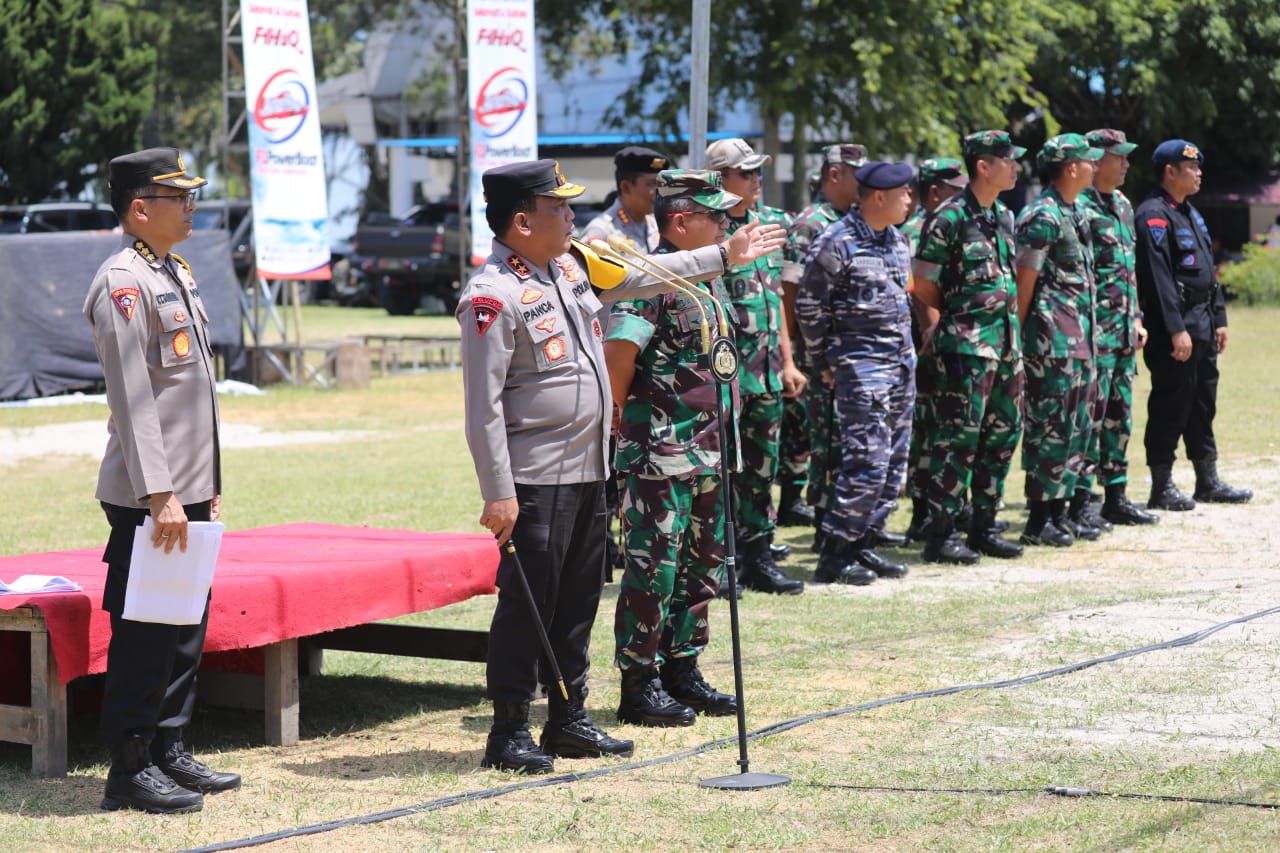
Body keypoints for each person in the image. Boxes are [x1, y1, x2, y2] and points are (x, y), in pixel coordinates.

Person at [457, 159, 784, 773]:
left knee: (578, 601)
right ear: (522, 222)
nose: (572, 215)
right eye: (558, 207)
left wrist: (724, 255)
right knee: (529, 606)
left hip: (589, 468)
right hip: (536, 478)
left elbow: (644, 276)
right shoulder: (491, 296)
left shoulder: (571, 267)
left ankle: (568, 719)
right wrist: (499, 492)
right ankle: (509, 730)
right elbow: (483, 408)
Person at [84, 147, 241, 814]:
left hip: (186, 487)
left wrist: (203, 483)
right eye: (178, 197)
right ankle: (128, 768)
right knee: (146, 629)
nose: (190, 206)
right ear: (140, 208)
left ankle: (168, 748)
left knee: (183, 624)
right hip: (151, 494)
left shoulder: (172, 271)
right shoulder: (124, 282)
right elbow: (133, 398)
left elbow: (191, 393)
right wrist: (161, 492)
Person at [604, 170, 741, 726]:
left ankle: (683, 668)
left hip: (709, 450)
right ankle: (639, 684)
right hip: (660, 454)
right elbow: (618, 358)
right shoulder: (651, 279)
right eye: (716, 216)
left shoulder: (708, 279)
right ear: (682, 222)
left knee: (700, 569)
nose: (727, 224)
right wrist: (624, 426)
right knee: (653, 570)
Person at [797, 161, 917, 584]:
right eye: (903, 193)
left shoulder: (897, 240)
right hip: (860, 370)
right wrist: (823, 363)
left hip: (899, 367)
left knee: (893, 464)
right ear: (879, 197)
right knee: (866, 461)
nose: (910, 199)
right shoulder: (837, 242)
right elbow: (809, 308)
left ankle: (864, 542)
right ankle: (835, 554)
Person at [911, 130, 1026, 564]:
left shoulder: (1004, 216)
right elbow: (924, 283)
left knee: (1003, 434)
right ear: (983, 166)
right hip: (966, 347)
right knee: (958, 439)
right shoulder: (950, 217)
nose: (1015, 167)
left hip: (1006, 345)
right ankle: (942, 534)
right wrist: (960, 316)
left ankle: (984, 526)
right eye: (1007, 160)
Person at [706, 138, 806, 594]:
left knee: (763, 469)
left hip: (766, 373)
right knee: (722, 473)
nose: (757, 180)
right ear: (721, 178)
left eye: (757, 172)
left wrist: (789, 361)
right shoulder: (710, 230)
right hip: (726, 377)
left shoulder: (767, 224)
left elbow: (774, 299)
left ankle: (758, 557)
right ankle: (717, 564)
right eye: (746, 173)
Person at [1135, 140, 1252, 509]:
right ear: (1170, 172)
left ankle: (1207, 480)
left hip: (1201, 323)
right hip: (1175, 327)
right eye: (1192, 168)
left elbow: (1207, 272)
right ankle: (1161, 486)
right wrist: (1175, 329)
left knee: (1203, 402)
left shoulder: (1190, 213)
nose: (1199, 173)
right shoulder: (1154, 215)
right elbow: (1157, 279)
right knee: (1172, 403)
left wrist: (1220, 319)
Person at [1014, 134, 1104, 546]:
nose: (1094, 167)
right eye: (1088, 161)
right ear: (1070, 167)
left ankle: (1060, 512)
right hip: (1051, 343)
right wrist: (1019, 338)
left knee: (1075, 428)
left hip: (1080, 340)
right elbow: (1024, 283)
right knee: (1048, 428)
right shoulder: (1043, 215)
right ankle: (1038, 520)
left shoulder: (1076, 211)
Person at [781, 144, 867, 549]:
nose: (863, 182)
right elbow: (790, 293)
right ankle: (825, 525)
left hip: (848, 351)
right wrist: (793, 353)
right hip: (817, 351)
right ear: (835, 174)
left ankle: (851, 523)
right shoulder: (811, 224)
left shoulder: (853, 219)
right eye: (856, 173)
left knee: (849, 438)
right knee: (826, 438)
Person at [1077, 129, 1159, 526]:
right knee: (1088, 419)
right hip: (1092, 335)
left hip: (1123, 332)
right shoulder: (1079, 207)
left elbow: (1129, 269)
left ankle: (1116, 496)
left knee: (1119, 417)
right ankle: (1080, 500)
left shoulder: (1123, 205)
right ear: (1095, 160)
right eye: (1119, 157)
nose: (1126, 164)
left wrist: (1137, 317)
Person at [899, 158, 968, 542]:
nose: (962, 195)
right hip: (923, 345)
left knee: (948, 426)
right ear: (936, 191)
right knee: (927, 429)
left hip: (945, 340)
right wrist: (931, 326)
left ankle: (951, 506)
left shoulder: (957, 222)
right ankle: (923, 513)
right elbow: (918, 288)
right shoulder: (917, 228)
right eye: (955, 188)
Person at [580, 145, 668, 252]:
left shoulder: (655, 225)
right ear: (626, 187)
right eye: (651, 184)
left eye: (660, 184)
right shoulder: (602, 230)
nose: (659, 191)